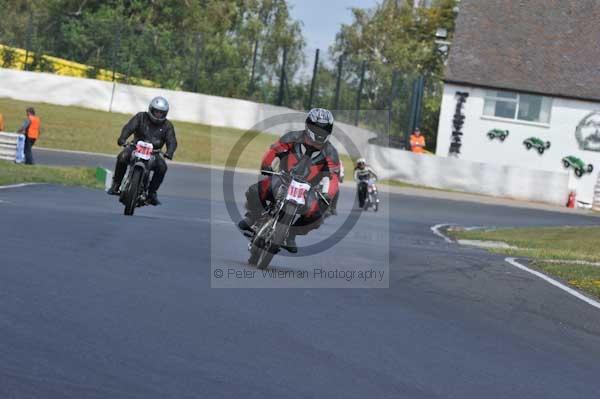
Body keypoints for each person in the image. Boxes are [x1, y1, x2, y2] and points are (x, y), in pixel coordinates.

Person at [238, 108, 341, 253]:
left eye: (324, 129)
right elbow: (274, 150)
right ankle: (252, 216)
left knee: (317, 214)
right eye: (316, 127)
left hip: (308, 188)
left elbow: (334, 176)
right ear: (307, 125)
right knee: (255, 190)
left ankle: (291, 234)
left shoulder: (331, 152)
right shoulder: (292, 137)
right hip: (284, 178)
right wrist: (266, 164)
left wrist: (328, 194)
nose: (319, 132)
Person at [107, 96, 177, 206]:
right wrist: (122, 138)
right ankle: (116, 184)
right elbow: (129, 127)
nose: (158, 114)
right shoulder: (141, 117)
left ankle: (152, 193)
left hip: (154, 152)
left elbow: (171, 140)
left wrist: (170, 151)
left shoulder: (167, 125)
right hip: (135, 147)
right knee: (122, 156)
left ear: (165, 113)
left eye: (161, 113)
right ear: (151, 109)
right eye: (156, 111)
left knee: (163, 167)